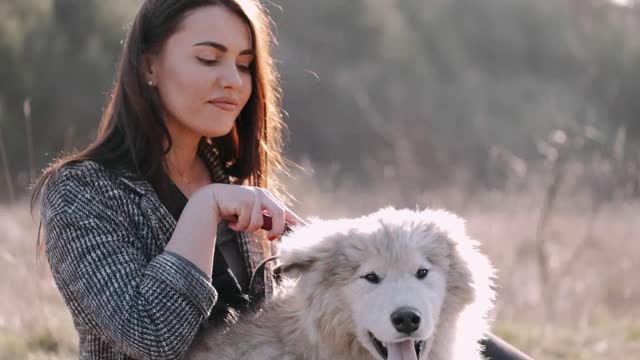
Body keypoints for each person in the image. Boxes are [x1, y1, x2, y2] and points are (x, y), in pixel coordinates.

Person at [31, 0, 532, 359]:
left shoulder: (238, 179)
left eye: (245, 65)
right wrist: (204, 210)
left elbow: (305, 310)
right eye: (209, 59)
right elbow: (151, 339)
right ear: (148, 66)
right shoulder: (83, 193)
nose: (232, 79)